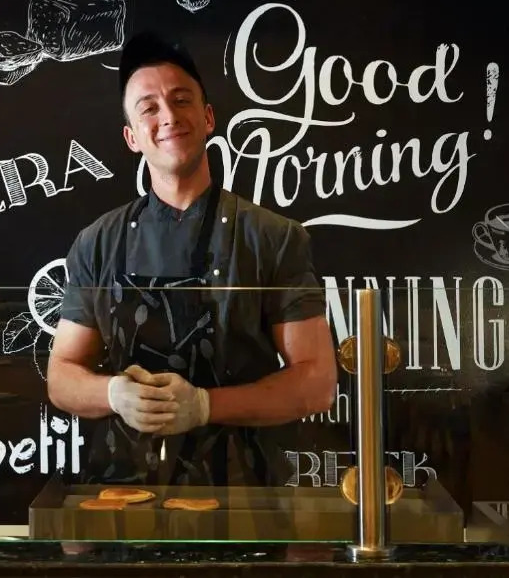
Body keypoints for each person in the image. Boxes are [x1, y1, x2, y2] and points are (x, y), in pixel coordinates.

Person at [46, 31, 337, 488]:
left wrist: (204, 405)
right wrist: (113, 393)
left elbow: (317, 382)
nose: (168, 116)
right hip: (124, 493)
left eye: (181, 100)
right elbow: (61, 376)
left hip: (245, 495)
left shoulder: (274, 238)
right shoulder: (97, 243)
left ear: (208, 118)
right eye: (149, 108)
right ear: (132, 138)